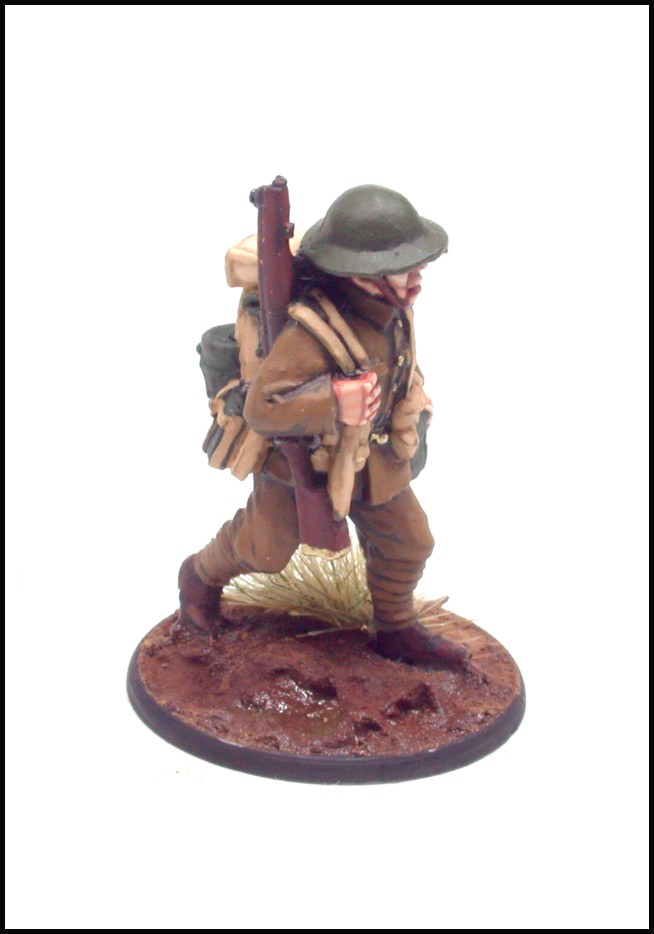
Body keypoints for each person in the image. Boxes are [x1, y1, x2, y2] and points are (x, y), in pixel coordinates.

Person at [177, 184, 470, 667]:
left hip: (374, 458)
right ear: (364, 273)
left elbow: (399, 364)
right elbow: (264, 407)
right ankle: (199, 578)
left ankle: (395, 629)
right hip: (302, 467)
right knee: (264, 549)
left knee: (409, 542)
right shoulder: (311, 331)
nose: (418, 274)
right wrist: (333, 399)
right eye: (404, 265)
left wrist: (410, 398)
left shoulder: (393, 311)